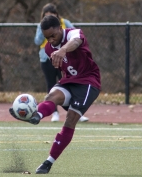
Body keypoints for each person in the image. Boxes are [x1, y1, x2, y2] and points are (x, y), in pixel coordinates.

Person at [9, 15, 101, 174]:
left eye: (53, 35)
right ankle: (35, 115)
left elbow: (76, 41)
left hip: (88, 82)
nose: (50, 40)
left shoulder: (73, 33)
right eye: (47, 37)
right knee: (51, 97)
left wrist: (64, 49)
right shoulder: (48, 48)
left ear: (60, 28)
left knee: (70, 119)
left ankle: (48, 162)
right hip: (70, 80)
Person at [34, 3, 89, 122]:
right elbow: (37, 41)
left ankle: (76, 111)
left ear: (56, 15)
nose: (48, 19)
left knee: (67, 83)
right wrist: (48, 35)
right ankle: (54, 113)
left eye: (51, 16)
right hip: (46, 58)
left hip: (64, 58)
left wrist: (63, 44)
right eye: (46, 16)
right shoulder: (42, 26)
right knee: (51, 85)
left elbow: (76, 34)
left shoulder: (64, 23)